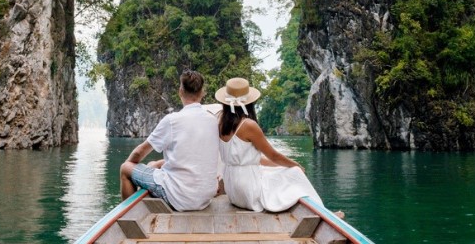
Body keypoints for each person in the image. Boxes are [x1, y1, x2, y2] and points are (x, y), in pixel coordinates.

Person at [215, 77, 329, 213]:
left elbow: (258, 159)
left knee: (277, 170)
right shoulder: (248, 125)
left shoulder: (220, 122)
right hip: (248, 190)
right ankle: (321, 212)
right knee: (294, 173)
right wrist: (295, 165)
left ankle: (320, 211)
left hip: (233, 190)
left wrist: (281, 166)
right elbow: (274, 156)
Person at [119, 70, 219, 211]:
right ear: (202, 92)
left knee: (125, 169)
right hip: (205, 197)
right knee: (153, 164)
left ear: (180, 91)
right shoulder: (212, 120)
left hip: (180, 198)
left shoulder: (172, 121)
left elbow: (139, 152)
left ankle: (130, 214)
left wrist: (131, 164)